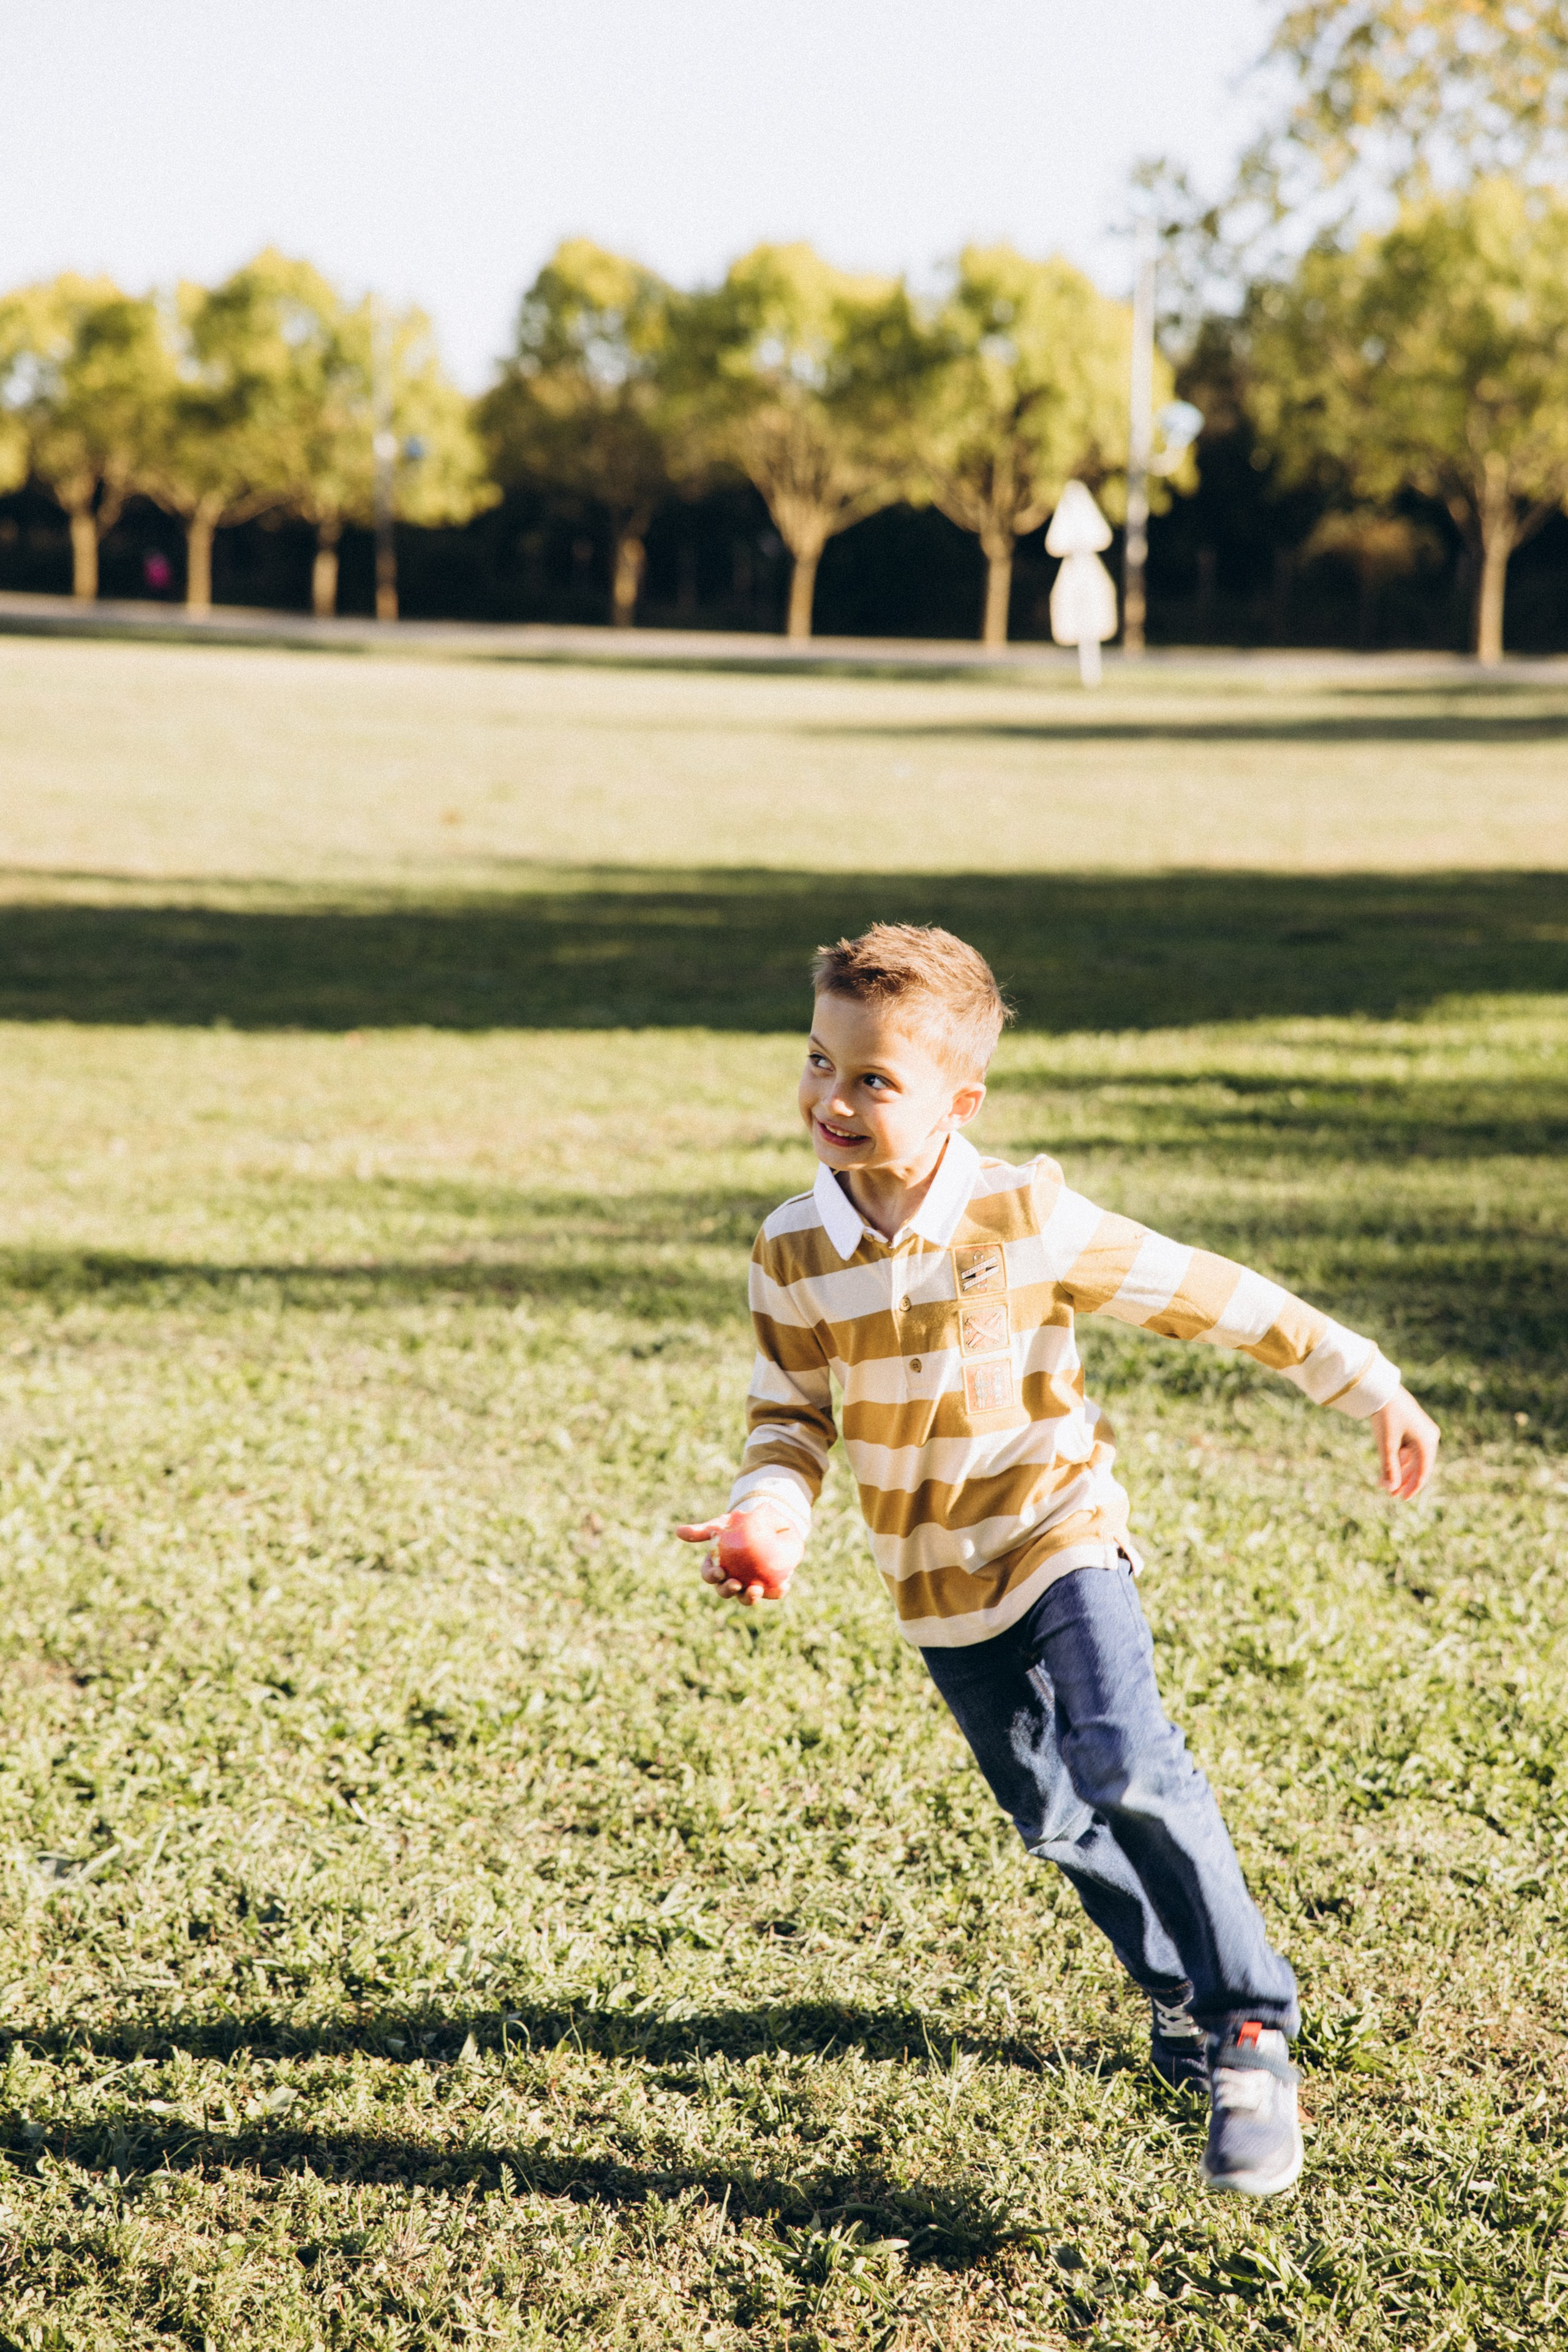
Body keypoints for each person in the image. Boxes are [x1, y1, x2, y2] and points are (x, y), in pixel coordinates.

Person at [678, 923, 1439, 2200]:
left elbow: (1204, 1292)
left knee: (1123, 1761)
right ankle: (1178, 1999)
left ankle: (1248, 2028)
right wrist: (770, 1511)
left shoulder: (1020, 1213)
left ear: (956, 1102)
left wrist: (1362, 1381)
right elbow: (789, 1417)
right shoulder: (790, 1250)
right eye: (819, 1061)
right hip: (933, 1585)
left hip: (1057, 1534)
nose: (832, 1097)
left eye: (874, 1078)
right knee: (1056, 1817)